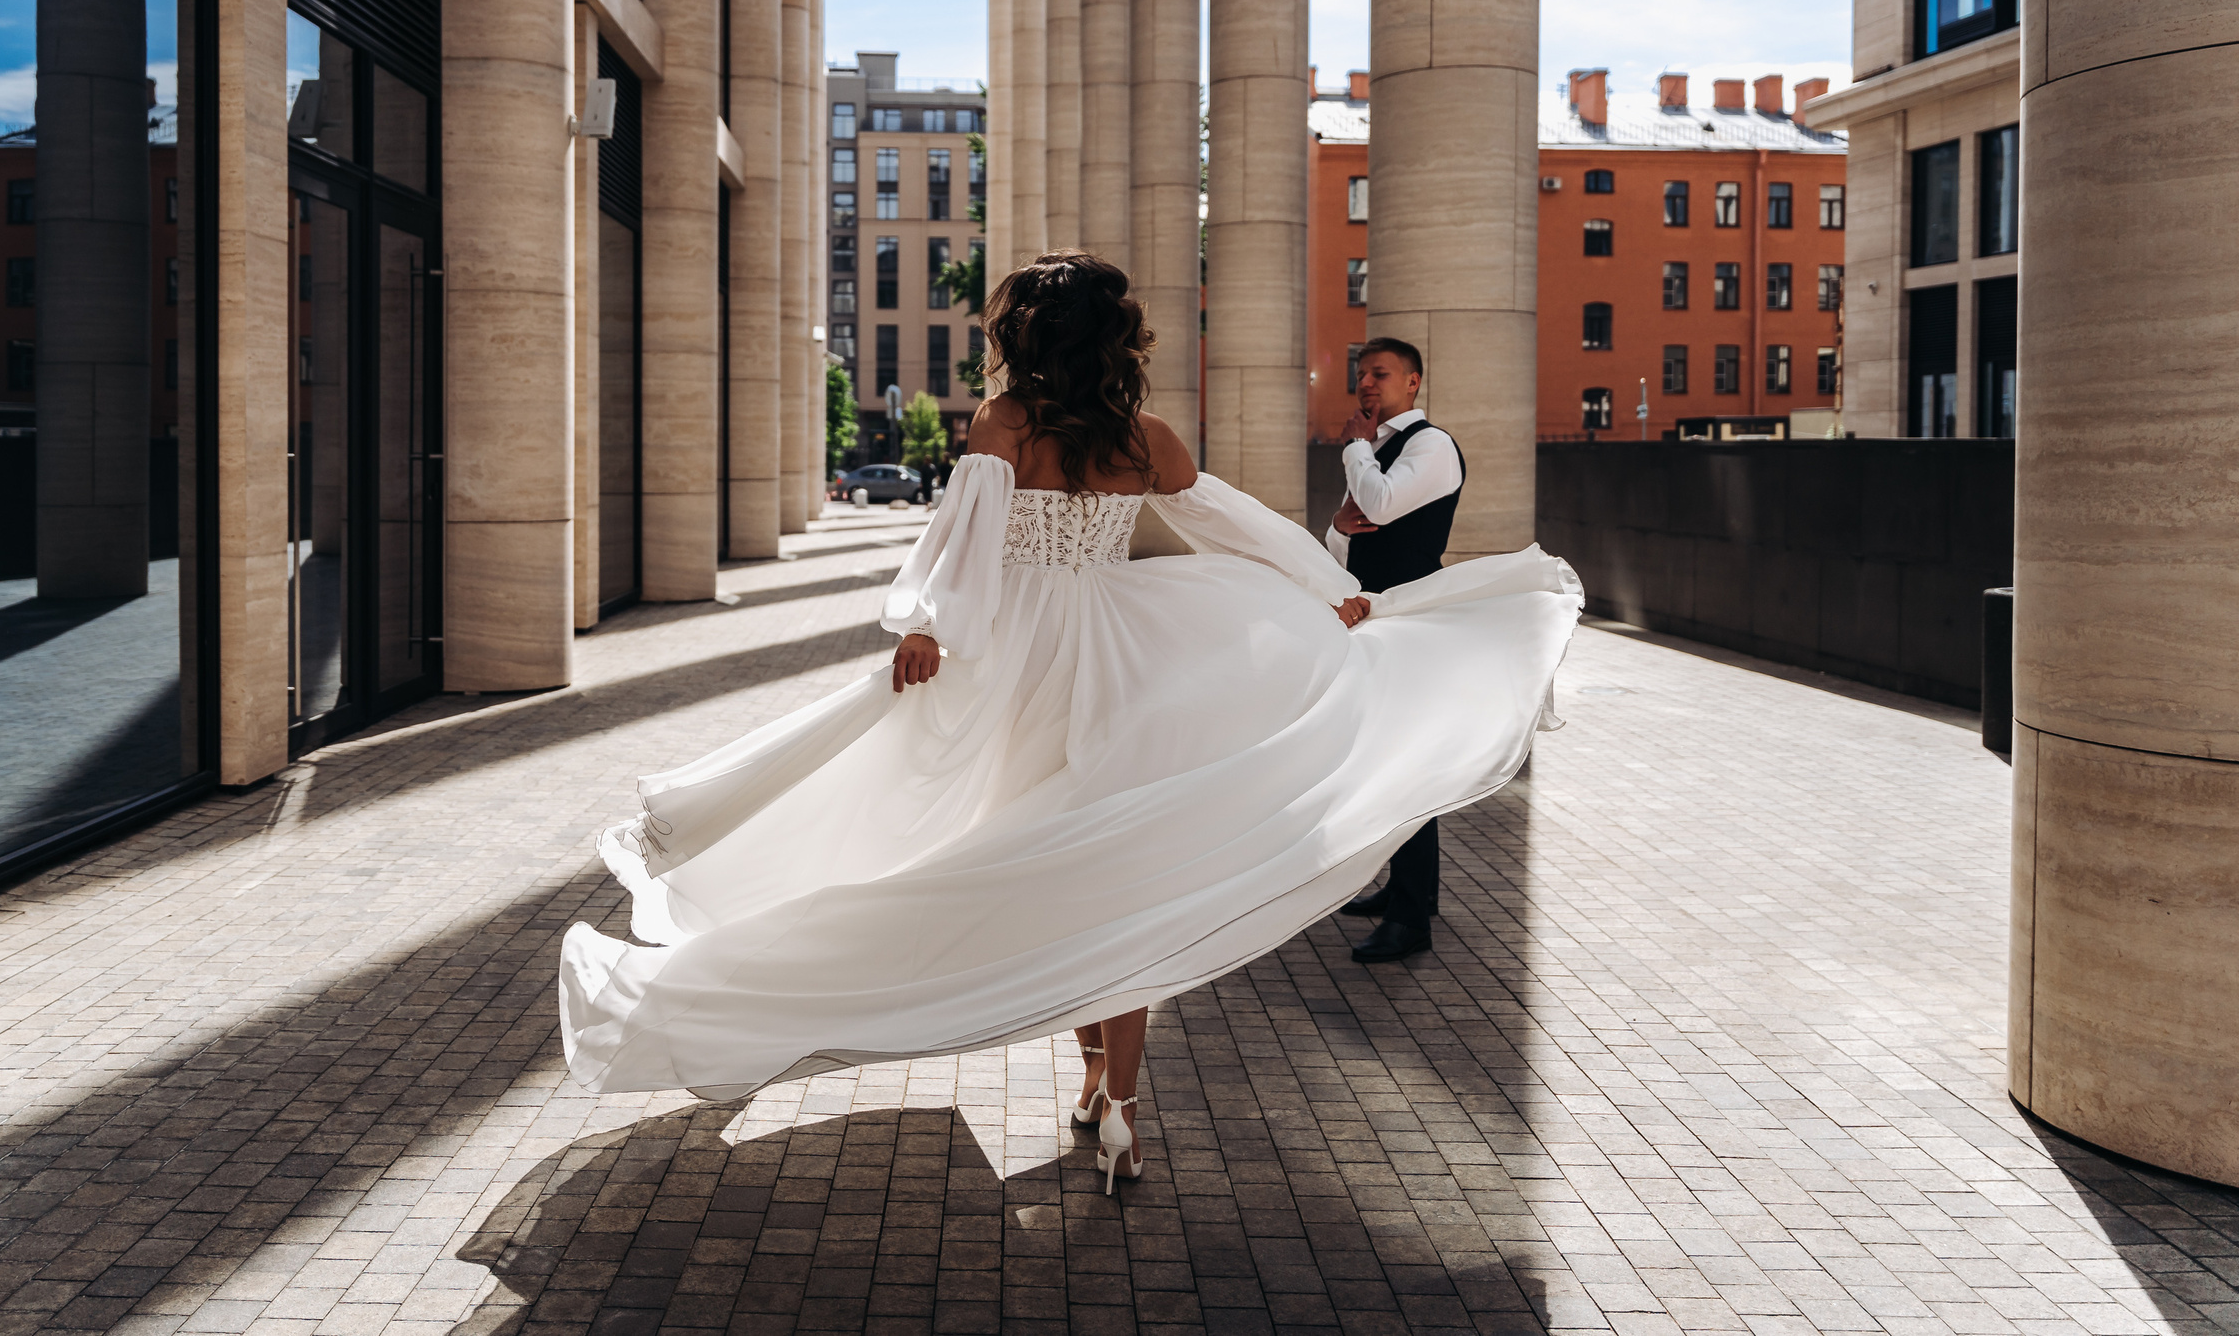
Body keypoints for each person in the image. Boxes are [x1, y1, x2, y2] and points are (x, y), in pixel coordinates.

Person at [559, 253, 1579, 1194]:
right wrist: (1324, 589)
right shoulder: (1147, 439)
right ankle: (1116, 1103)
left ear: (1029, 339)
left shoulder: (1002, 425)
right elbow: (1237, 524)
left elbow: (960, 543)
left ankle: (1081, 1075)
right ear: (1117, 341)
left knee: (1001, 840)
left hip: (1017, 655)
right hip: (1119, 648)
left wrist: (924, 629)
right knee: (1108, 874)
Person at [1324, 336, 1465, 964]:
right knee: (1380, 758)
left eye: (1380, 373)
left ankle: (1412, 917)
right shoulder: (1374, 453)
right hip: (1375, 620)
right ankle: (1402, 890)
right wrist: (1336, 523)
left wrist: (1355, 447)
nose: (1366, 384)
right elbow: (1346, 540)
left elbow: (1379, 505)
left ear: (1413, 383)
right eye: (1360, 374)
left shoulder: (1430, 446)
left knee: (1407, 765)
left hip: (1413, 624)